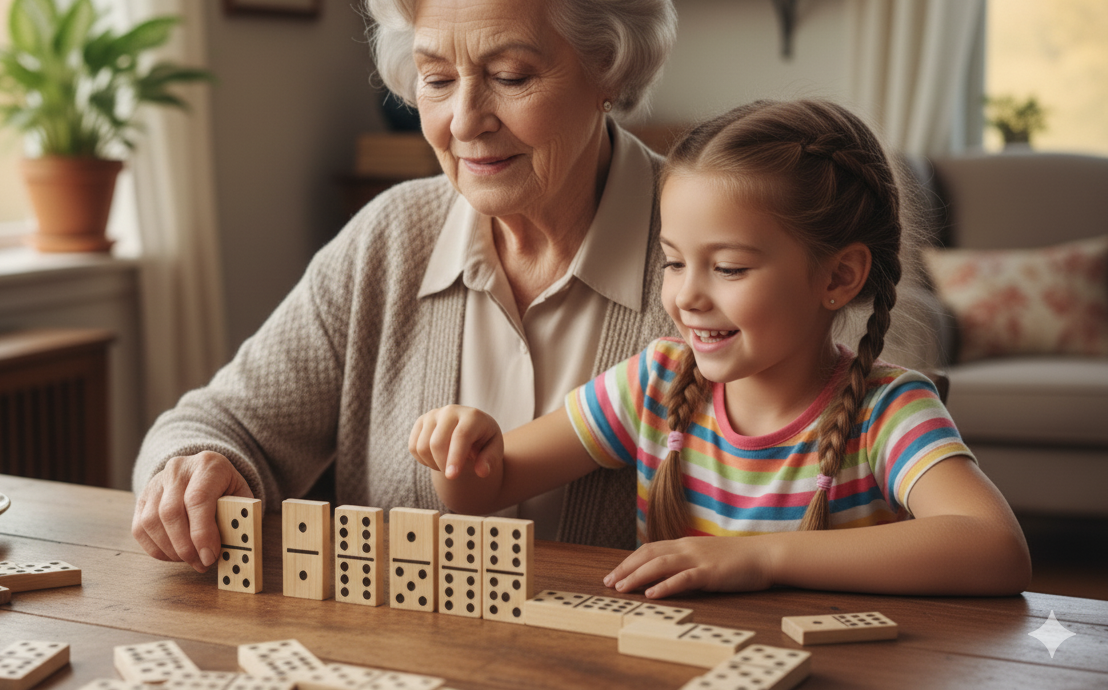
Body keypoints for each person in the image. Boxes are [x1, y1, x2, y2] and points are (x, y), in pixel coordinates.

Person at [130, 0, 681, 571]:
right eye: (437, 79)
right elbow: (223, 422)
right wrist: (194, 468)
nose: (464, 121)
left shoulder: (722, 254)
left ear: (609, 66)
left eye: (510, 76)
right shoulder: (390, 239)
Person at [409, 99, 1032, 598]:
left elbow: (997, 548)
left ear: (839, 277)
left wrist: (760, 557)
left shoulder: (887, 411)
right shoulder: (655, 381)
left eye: (729, 268)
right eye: (673, 262)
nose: (686, 297)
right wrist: (463, 455)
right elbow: (490, 488)